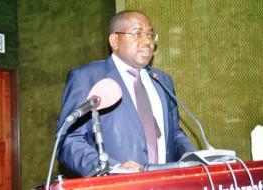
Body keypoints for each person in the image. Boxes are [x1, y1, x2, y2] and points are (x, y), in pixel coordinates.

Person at [56, 10, 196, 177]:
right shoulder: (87, 78)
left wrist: (189, 155)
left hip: (166, 183)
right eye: (137, 33)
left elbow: (174, 133)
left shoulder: (162, 80)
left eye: (150, 35)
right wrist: (112, 167)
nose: (147, 42)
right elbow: (69, 140)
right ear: (115, 40)